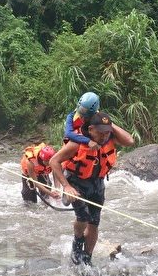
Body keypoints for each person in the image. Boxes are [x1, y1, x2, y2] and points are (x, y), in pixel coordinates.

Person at [50, 112, 134, 265]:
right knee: (83, 216)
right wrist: (66, 186)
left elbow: (130, 141)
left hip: (97, 184)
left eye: (106, 132)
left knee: (94, 222)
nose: (104, 136)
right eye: (100, 132)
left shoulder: (109, 138)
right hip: (76, 182)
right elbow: (54, 161)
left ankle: (87, 258)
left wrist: (110, 126)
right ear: (90, 129)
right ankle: (77, 241)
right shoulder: (77, 142)